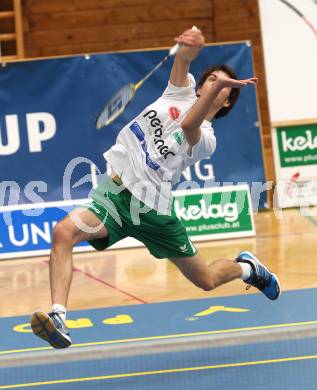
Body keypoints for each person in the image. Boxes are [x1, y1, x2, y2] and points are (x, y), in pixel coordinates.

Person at [31, 27, 280, 349]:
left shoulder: (207, 139)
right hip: (115, 198)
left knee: (205, 280)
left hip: (153, 212)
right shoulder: (178, 92)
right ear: (200, 84)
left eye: (220, 84)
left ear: (228, 98)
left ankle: (247, 269)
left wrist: (215, 86)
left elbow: (189, 124)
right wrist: (193, 45)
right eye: (209, 79)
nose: (212, 83)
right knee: (63, 232)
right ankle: (58, 317)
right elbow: (184, 61)